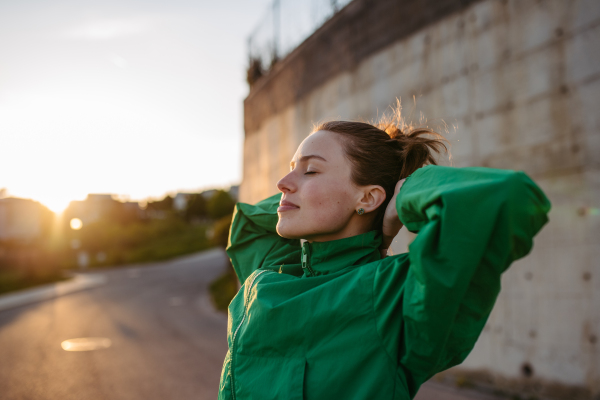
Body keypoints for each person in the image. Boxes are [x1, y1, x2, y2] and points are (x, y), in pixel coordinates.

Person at [217, 105, 551, 400]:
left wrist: (405, 196)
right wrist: (378, 233)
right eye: (291, 167)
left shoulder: (393, 295)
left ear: (368, 198)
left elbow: (508, 198)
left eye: (311, 170)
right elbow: (249, 223)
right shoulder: (269, 275)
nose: (283, 182)